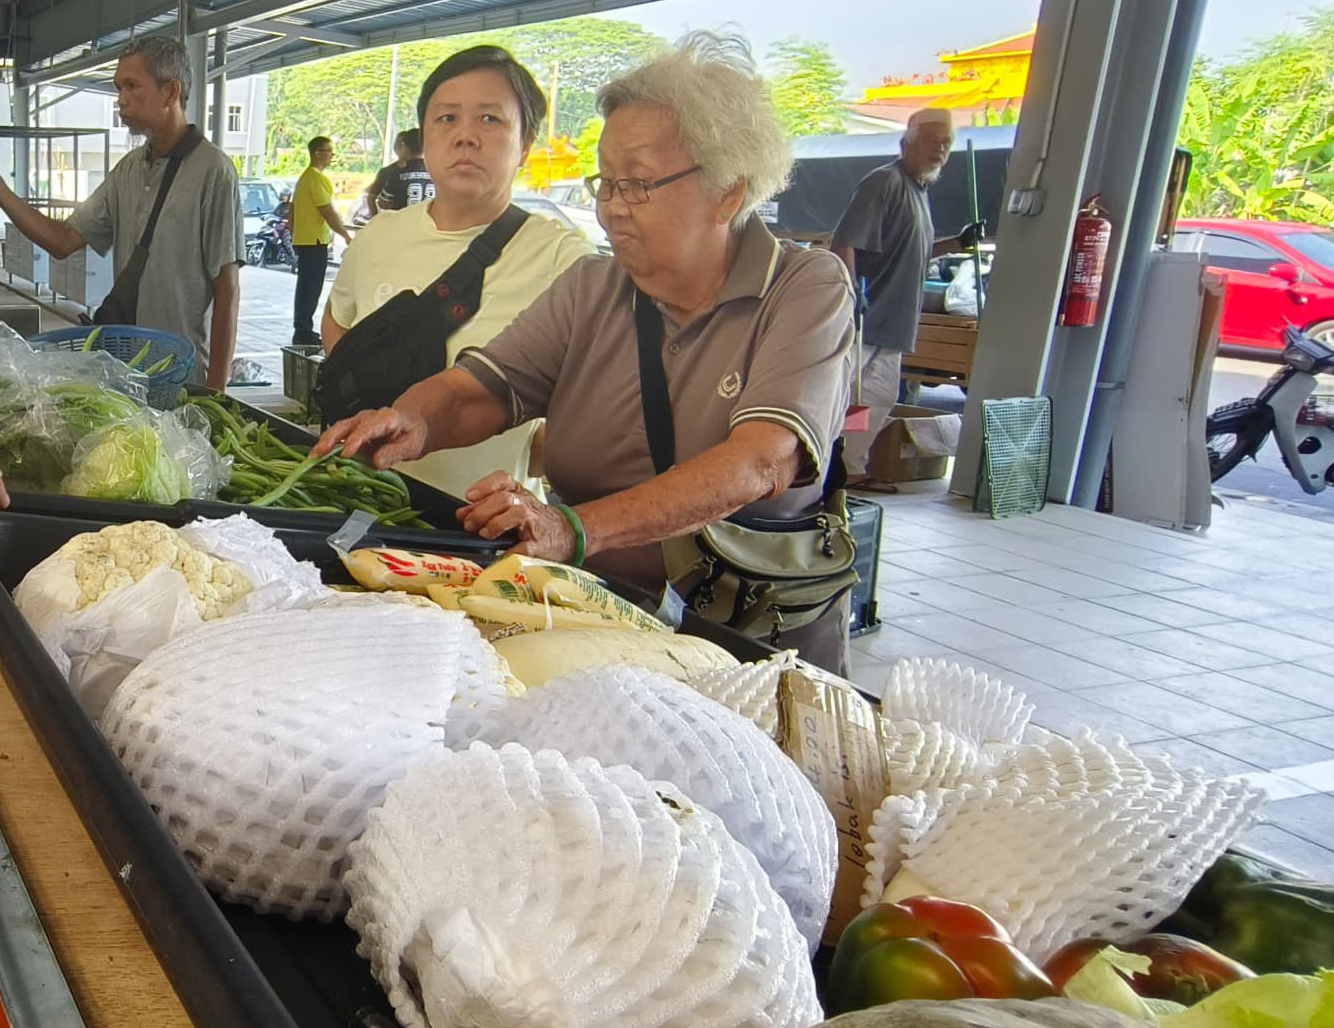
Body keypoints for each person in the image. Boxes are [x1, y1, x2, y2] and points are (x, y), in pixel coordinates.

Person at [316, 32, 859, 669]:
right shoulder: (594, 288)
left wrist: (574, 528)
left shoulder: (804, 289)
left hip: (750, 642)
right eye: (605, 183)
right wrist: (412, 419)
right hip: (601, 619)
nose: (610, 211)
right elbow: (479, 390)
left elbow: (760, 462)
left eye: (638, 186)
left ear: (729, 192)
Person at [319, 47, 593, 500]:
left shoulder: (564, 259)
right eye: (446, 119)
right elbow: (337, 319)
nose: (465, 136)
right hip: (360, 501)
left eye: (490, 120)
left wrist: (529, 455)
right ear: (424, 137)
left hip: (481, 527)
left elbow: (592, 409)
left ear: (525, 144)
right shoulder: (378, 235)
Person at [0, 34, 242, 387]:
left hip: (181, 376)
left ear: (170, 92)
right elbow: (62, 241)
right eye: (117, 88)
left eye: (131, 86)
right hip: (127, 371)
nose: (120, 100)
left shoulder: (213, 171)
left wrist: (216, 393)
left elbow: (227, 290)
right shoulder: (129, 168)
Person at [830, 107, 957, 481]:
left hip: (894, 324)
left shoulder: (920, 191)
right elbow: (845, 243)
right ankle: (831, 468)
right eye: (932, 141)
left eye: (946, 143)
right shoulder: (884, 182)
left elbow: (913, 251)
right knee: (846, 397)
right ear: (907, 144)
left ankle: (851, 467)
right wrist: (850, 297)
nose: (940, 150)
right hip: (866, 320)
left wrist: (956, 243)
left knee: (876, 400)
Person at [288, 136, 350, 346]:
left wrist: (294, 234)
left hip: (305, 240)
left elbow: (292, 210)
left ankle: (303, 327)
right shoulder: (316, 178)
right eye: (329, 151)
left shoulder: (305, 178)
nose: (332, 155)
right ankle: (303, 329)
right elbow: (327, 210)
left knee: (306, 286)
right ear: (317, 153)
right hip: (314, 241)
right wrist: (346, 234)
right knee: (311, 287)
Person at [362, 128, 433, 219]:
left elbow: (384, 203)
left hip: (402, 226)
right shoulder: (437, 174)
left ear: (405, 147)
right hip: (428, 226)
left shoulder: (396, 174)